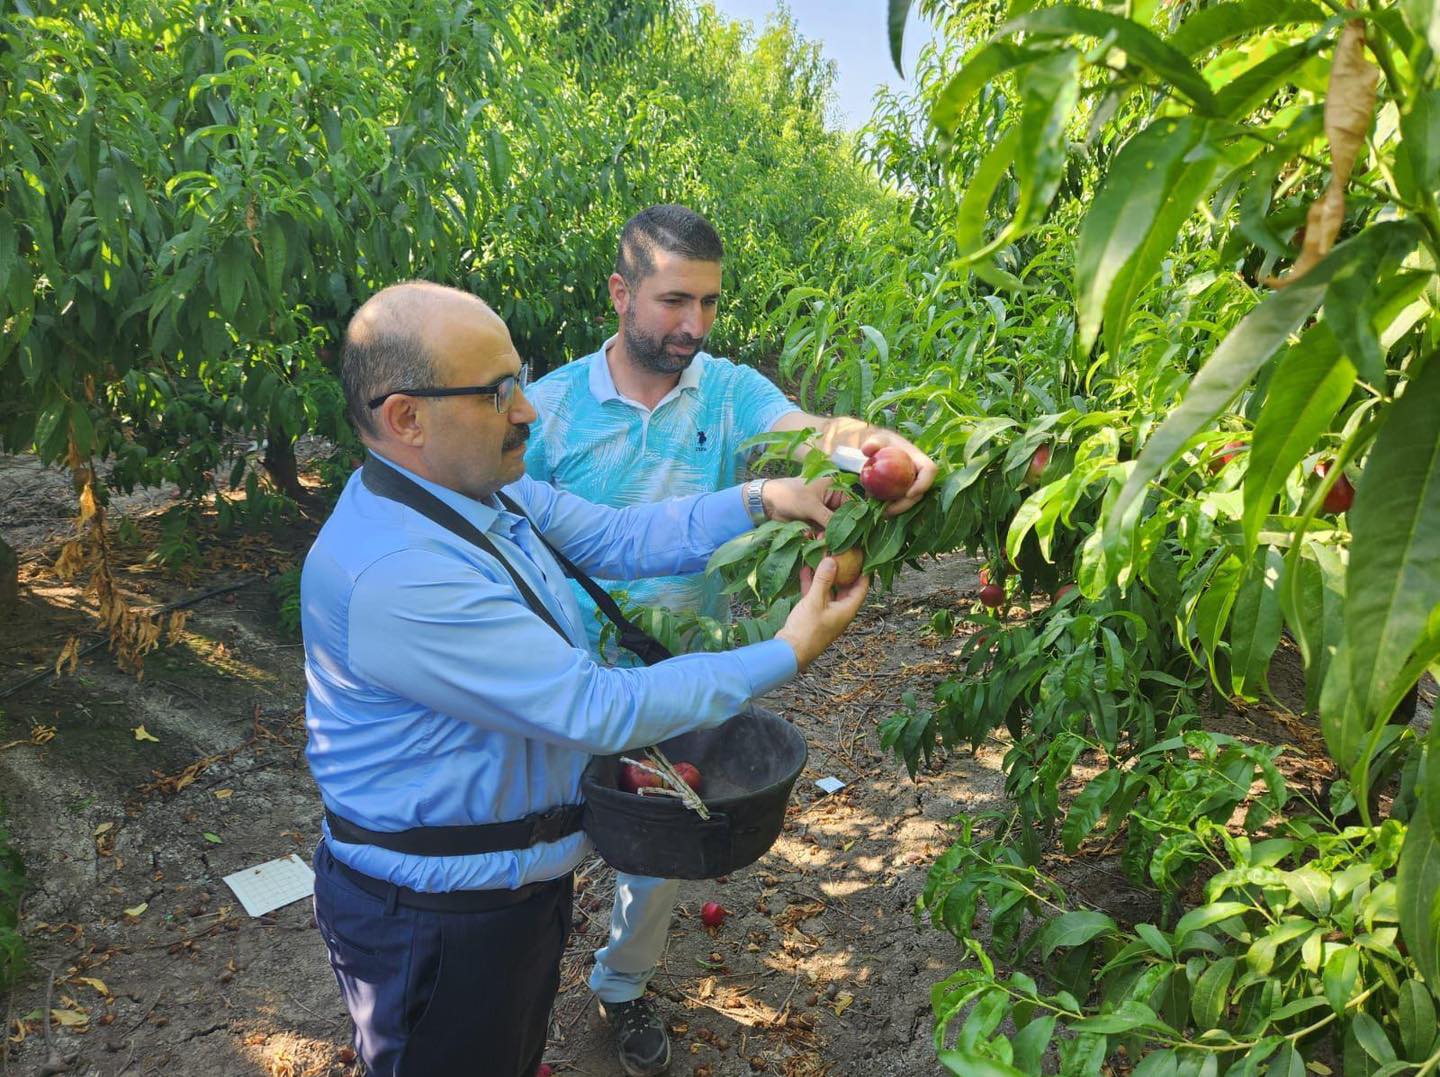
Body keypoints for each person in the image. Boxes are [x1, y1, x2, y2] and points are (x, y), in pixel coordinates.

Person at [301, 280, 870, 1077]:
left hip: (507, 894)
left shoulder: (484, 494)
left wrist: (763, 498)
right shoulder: (399, 573)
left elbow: (621, 535)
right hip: (434, 925)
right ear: (406, 417)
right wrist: (786, 650)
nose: (528, 409)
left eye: (521, 379)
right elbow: (596, 706)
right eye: (499, 392)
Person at [524, 205, 937, 1076]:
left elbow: (810, 430)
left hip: (678, 675)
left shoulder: (728, 389)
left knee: (657, 853)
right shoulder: (551, 410)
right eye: (675, 301)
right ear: (620, 293)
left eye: (709, 304)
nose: (693, 326)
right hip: (565, 673)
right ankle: (519, 986)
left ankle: (623, 985)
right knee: (540, 841)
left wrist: (873, 447)